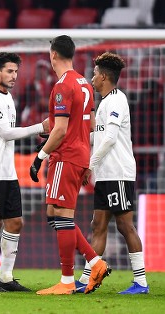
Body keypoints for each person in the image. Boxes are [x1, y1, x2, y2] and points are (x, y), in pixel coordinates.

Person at [29, 35, 111, 295]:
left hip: (65, 156)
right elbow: (88, 123)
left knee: (62, 216)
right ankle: (95, 262)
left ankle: (66, 281)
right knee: (54, 213)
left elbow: (61, 129)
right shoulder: (85, 83)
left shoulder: (63, 86)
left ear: (53, 55)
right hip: (78, 154)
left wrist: (40, 156)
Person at [0, 52, 48, 293]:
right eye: (9, 71)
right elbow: (6, 133)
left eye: (16, 71)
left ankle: (5, 276)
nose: (14, 76)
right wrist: (40, 127)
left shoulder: (8, 97)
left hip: (7, 171)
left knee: (15, 222)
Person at [75, 52, 149, 294]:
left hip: (118, 172)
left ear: (104, 76)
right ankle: (89, 277)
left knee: (125, 226)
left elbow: (110, 138)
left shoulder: (117, 100)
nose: (92, 78)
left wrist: (90, 164)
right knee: (98, 225)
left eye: (95, 74)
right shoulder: (105, 102)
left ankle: (141, 282)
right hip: (106, 175)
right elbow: (98, 136)